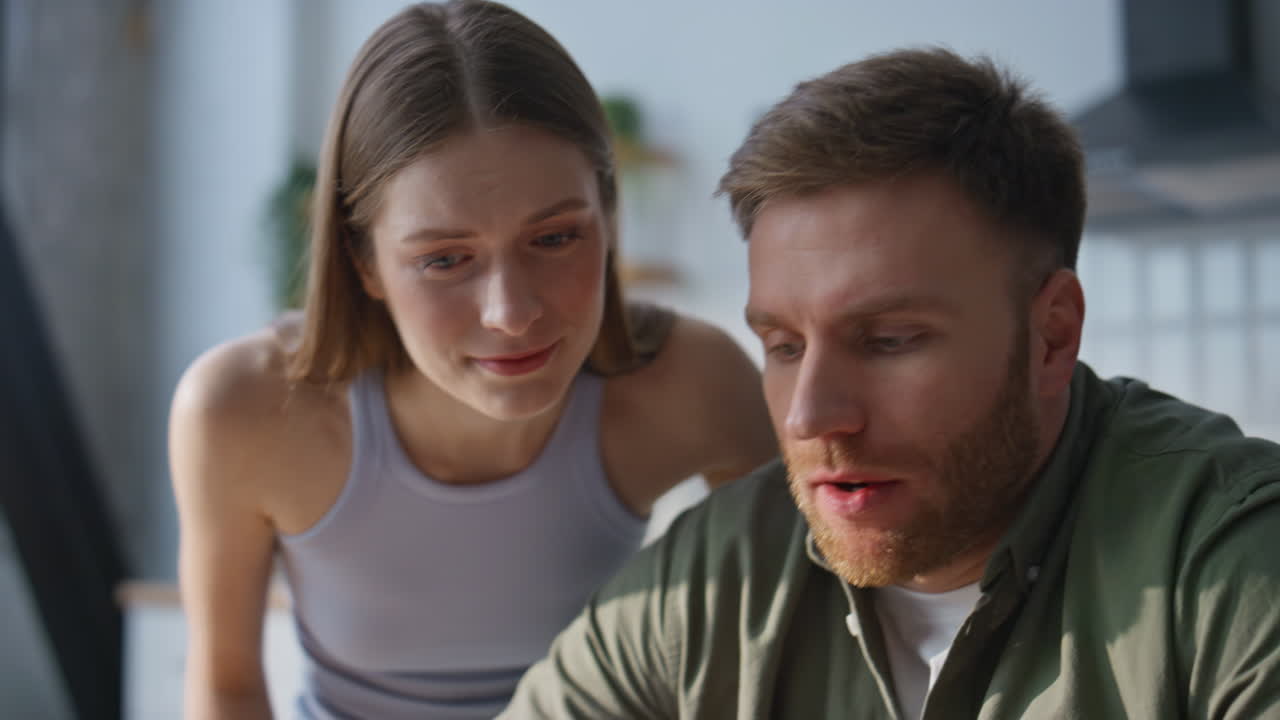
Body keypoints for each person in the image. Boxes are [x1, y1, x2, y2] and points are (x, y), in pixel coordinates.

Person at [500, 47, 1280, 720]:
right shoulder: (716, 581)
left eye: (888, 341)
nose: (811, 416)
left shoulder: (1234, 566)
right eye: (781, 344)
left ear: (1052, 335)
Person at [167, 2, 777, 718]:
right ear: (363, 261)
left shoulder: (694, 384)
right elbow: (229, 687)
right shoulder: (241, 411)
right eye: (445, 259)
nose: (511, 313)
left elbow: (803, 633)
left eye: (554, 239)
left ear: (608, 219)